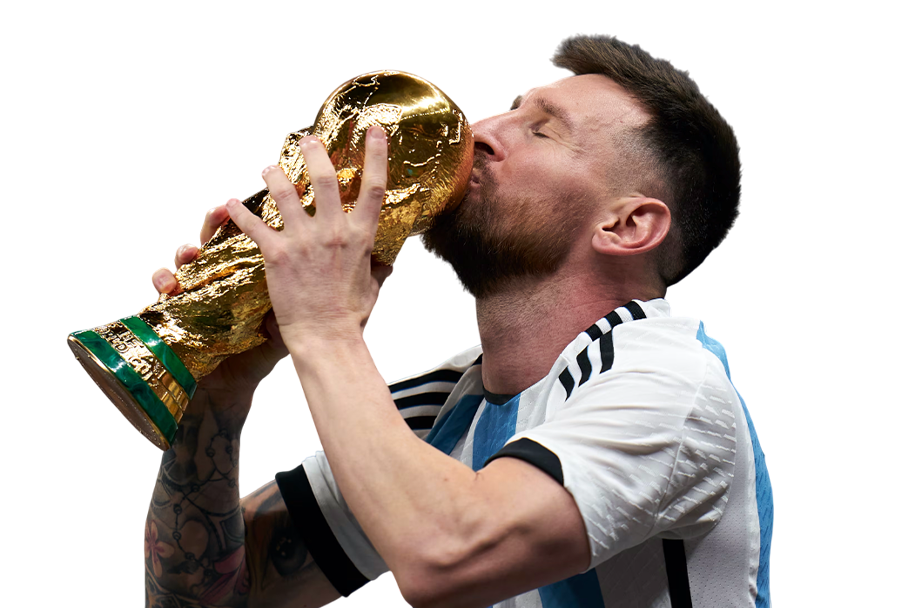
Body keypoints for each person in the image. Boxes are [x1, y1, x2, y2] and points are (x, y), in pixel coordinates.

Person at [144, 34, 772, 608]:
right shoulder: (436, 406)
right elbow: (211, 600)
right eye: (502, 114)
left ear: (627, 225)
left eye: (542, 131)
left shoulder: (669, 381)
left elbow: (448, 554)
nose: (478, 135)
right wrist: (216, 402)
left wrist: (326, 327)